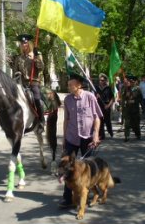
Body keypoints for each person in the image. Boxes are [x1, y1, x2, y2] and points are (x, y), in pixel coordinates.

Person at [58, 73, 103, 208]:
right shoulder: (67, 100)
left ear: (79, 85)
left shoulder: (90, 97)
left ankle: (87, 193)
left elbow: (97, 118)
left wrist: (95, 135)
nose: (69, 86)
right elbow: (66, 119)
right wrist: (64, 138)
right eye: (68, 84)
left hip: (87, 137)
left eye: (71, 84)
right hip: (72, 137)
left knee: (88, 169)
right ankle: (67, 199)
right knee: (66, 168)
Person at [10, 34, 45, 133]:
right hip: (22, 83)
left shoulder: (36, 55)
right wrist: (13, 67)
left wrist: (37, 57)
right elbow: (15, 72)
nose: (23, 45)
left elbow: (41, 68)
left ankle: (42, 121)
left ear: (29, 44)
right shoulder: (18, 58)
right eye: (22, 44)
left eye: (25, 43)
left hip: (34, 82)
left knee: (37, 98)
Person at [121, 75, 142, 142]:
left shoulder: (138, 89)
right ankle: (126, 136)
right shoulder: (126, 88)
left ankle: (138, 134)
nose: (131, 83)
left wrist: (134, 101)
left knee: (135, 124)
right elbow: (123, 98)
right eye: (130, 81)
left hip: (135, 109)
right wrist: (125, 99)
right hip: (128, 109)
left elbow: (141, 99)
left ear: (135, 82)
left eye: (133, 82)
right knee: (127, 123)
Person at [95, 73, 114, 139]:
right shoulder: (96, 88)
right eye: (100, 80)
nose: (101, 81)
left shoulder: (108, 88)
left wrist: (108, 105)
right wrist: (96, 97)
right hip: (99, 106)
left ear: (105, 81)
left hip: (106, 106)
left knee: (107, 120)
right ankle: (102, 135)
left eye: (103, 80)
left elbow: (112, 98)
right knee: (100, 120)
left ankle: (110, 131)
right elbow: (92, 97)